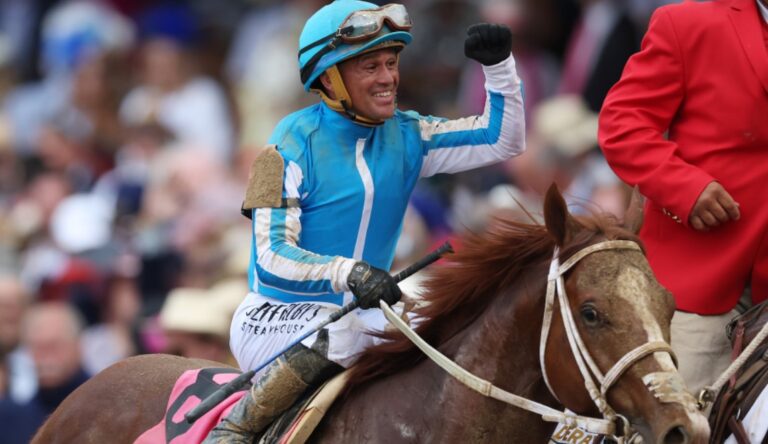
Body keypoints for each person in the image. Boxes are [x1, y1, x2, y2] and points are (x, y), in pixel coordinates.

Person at [204, 1, 525, 442]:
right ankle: (236, 428)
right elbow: (270, 256)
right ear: (330, 78)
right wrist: (348, 272)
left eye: (391, 63)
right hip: (276, 316)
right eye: (370, 66)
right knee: (345, 331)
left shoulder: (408, 133)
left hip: (364, 312)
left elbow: (501, 140)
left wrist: (499, 68)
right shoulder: (287, 145)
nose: (388, 78)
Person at [598, 0, 768, 395]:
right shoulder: (686, 22)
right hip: (705, 280)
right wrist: (685, 189)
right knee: (678, 415)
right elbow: (623, 125)